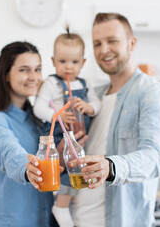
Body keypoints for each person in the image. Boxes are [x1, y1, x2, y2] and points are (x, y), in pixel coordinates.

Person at [69, 13, 160, 226]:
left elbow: (155, 158)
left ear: (131, 43)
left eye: (112, 41)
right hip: (74, 220)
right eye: (97, 43)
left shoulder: (151, 92)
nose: (103, 49)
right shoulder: (91, 96)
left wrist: (111, 166)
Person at [0, 41, 58, 227]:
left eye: (38, 69)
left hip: (43, 220)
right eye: (24, 70)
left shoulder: (36, 119)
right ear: (6, 75)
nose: (34, 77)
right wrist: (26, 167)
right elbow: (7, 149)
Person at [33, 26, 101, 227]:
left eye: (74, 62)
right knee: (64, 170)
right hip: (57, 136)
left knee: (76, 171)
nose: (68, 67)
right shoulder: (51, 84)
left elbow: (98, 106)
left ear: (83, 63)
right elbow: (38, 108)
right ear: (53, 62)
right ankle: (61, 206)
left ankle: (64, 204)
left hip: (78, 137)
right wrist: (57, 114)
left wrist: (88, 107)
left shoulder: (85, 84)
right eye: (62, 62)